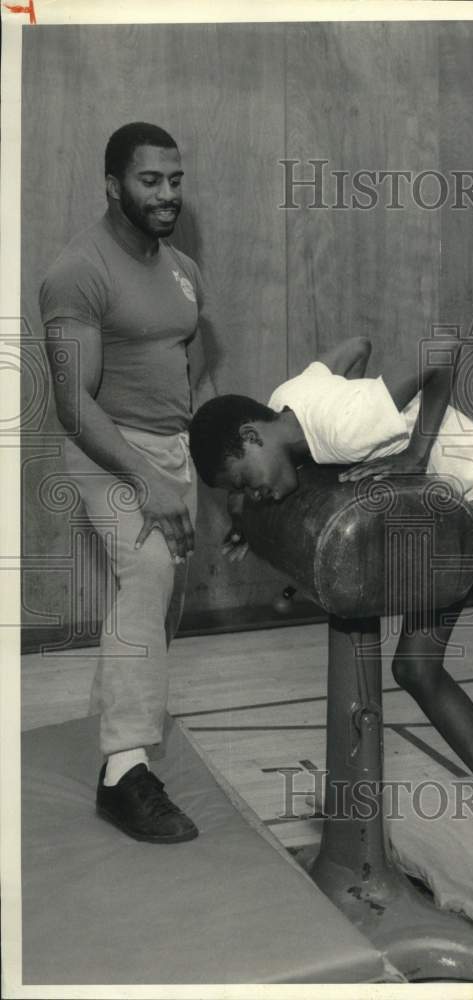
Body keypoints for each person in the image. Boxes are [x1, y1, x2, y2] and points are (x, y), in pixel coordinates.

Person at [188, 335, 473, 913]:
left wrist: (414, 453)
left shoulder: (346, 426)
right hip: (446, 513)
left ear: (252, 434)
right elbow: (353, 349)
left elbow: (441, 348)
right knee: (416, 668)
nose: (256, 494)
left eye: (245, 481)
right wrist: (255, 518)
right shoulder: (287, 401)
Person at [41, 122, 211, 844]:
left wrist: (195, 469)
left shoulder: (181, 270)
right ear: (113, 184)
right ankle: (124, 772)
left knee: (160, 607)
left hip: (171, 449)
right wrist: (146, 479)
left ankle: (116, 731)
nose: (167, 194)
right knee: (145, 573)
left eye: (174, 180)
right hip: (109, 446)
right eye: (150, 180)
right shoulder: (78, 270)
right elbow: (72, 402)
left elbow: (183, 369)